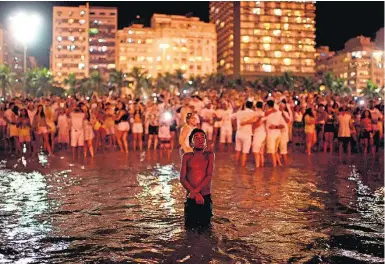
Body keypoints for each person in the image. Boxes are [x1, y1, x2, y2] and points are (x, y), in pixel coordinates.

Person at [180, 128, 214, 229]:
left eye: (202, 137)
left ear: (205, 142)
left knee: (206, 229)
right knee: (189, 229)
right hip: (191, 198)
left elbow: (208, 176)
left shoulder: (209, 156)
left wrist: (196, 192)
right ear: (191, 143)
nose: (200, 140)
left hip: (205, 197)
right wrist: (194, 193)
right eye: (196, 138)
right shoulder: (186, 156)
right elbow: (182, 178)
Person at [232, 101, 255, 167]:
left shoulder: (239, 112)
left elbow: (232, 117)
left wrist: (235, 126)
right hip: (247, 134)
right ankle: (242, 167)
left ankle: (236, 165)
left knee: (238, 151)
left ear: (245, 105)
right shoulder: (252, 113)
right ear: (251, 106)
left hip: (238, 133)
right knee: (245, 152)